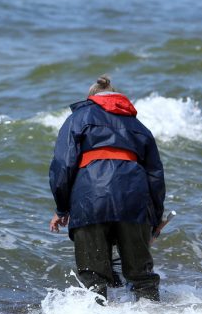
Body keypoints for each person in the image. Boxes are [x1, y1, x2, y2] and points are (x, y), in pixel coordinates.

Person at [48, 75, 166, 301]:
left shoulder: (78, 118)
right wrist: (155, 219)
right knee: (141, 276)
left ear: (91, 98)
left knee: (93, 279)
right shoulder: (139, 126)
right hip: (134, 203)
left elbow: (63, 165)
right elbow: (155, 177)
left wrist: (62, 209)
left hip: (90, 201)